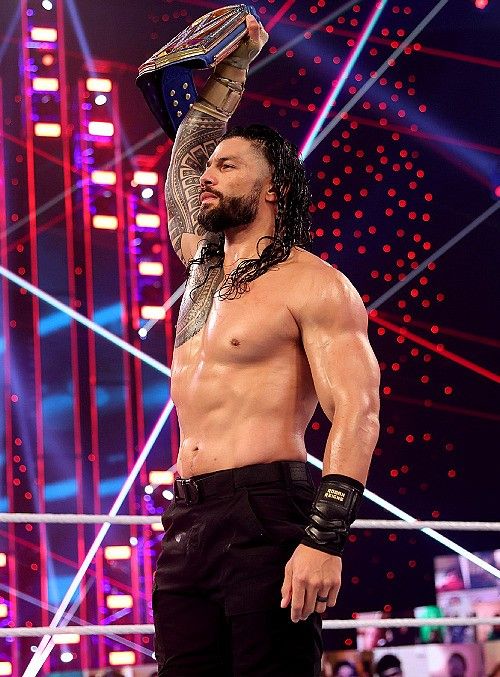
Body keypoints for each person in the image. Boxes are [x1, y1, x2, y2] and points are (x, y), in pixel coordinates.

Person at [152, 13, 380, 677]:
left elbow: (357, 413)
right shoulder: (202, 268)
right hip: (188, 519)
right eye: (211, 167)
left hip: (268, 513)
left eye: (229, 165)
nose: (207, 175)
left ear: (270, 188)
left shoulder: (315, 285)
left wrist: (324, 538)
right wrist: (230, 73)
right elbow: (184, 156)